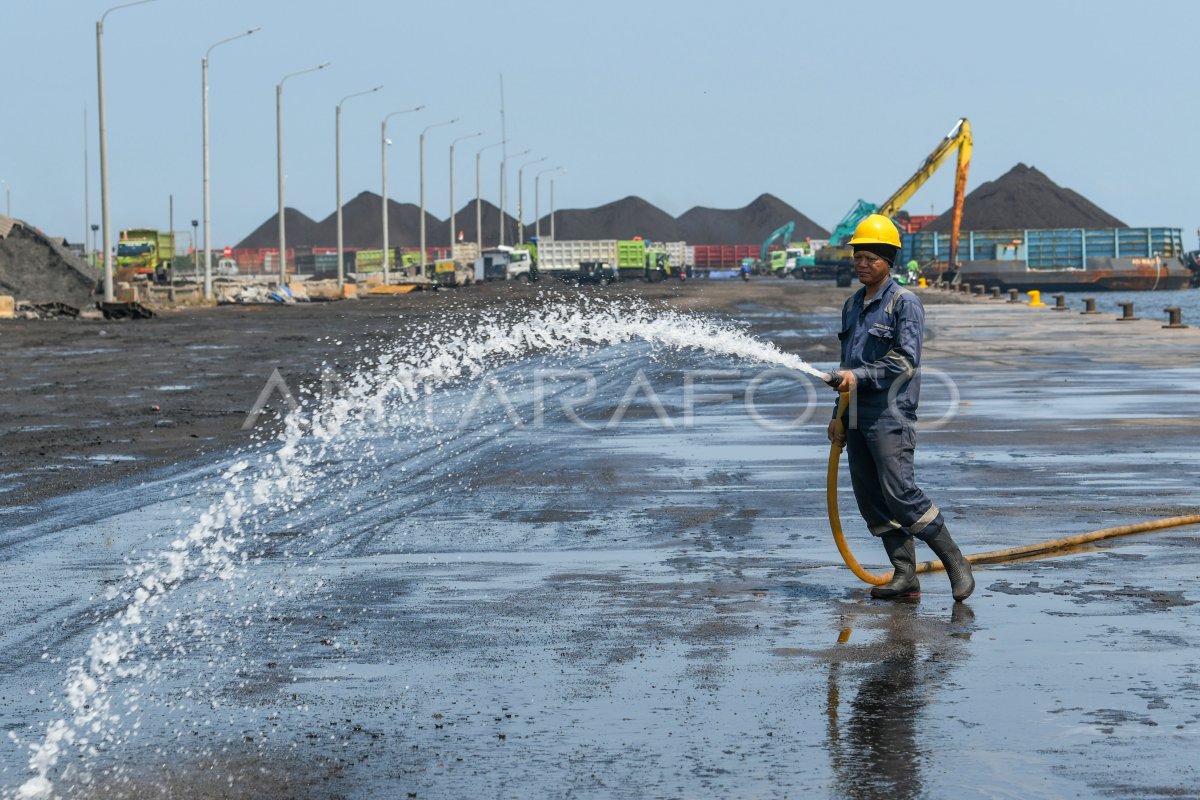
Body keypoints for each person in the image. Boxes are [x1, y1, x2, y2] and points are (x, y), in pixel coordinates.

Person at [825, 214, 974, 602]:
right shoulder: (852, 304)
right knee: (870, 498)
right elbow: (847, 363)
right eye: (858, 256)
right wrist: (837, 417)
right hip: (854, 414)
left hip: (890, 415)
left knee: (900, 494)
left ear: (889, 260)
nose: (861, 263)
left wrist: (859, 377)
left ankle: (956, 562)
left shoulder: (903, 303)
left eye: (871, 258)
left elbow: (905, 360)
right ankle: (905, 574)